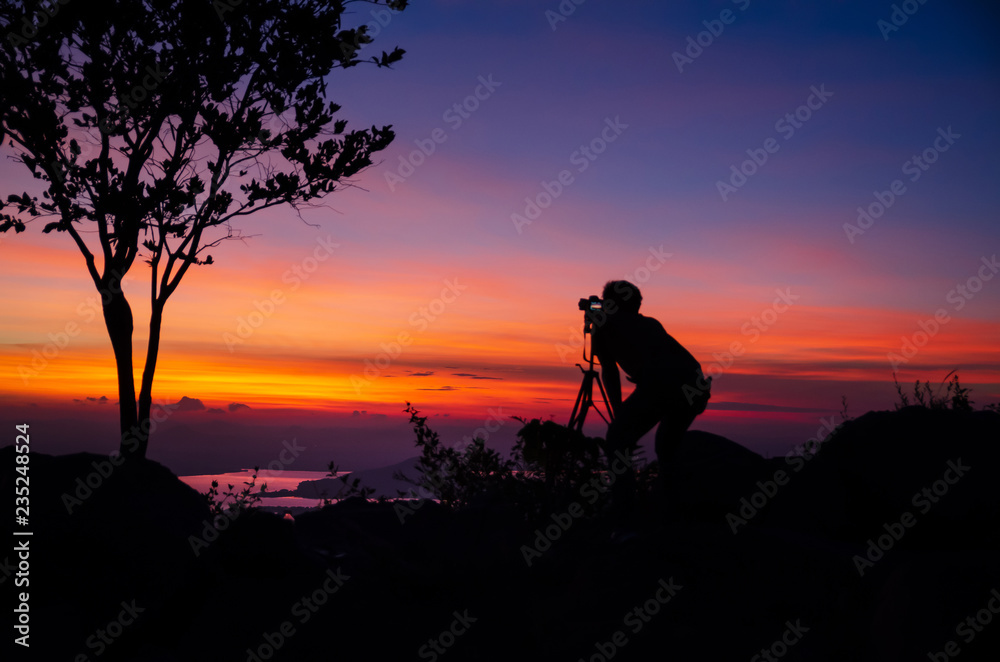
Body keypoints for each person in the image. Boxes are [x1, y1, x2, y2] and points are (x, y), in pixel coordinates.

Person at [590, 280, 711, 517]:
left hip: (661, 384)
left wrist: (617, 413)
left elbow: (610, 372)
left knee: (617, 440)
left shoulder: (606, 325)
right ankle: (672, 514)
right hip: (694, 385)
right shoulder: (651, 324)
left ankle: (624, 517)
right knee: (667, 448)